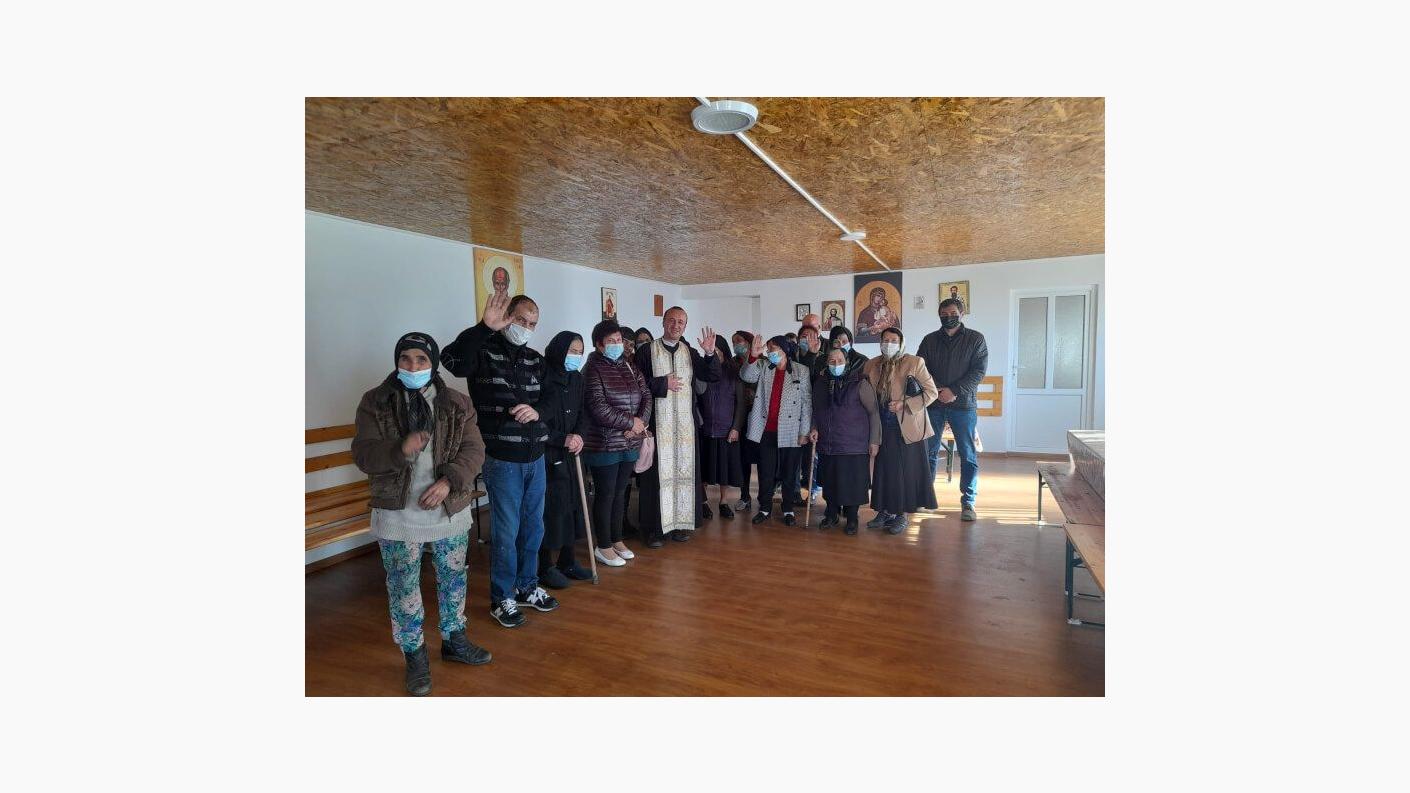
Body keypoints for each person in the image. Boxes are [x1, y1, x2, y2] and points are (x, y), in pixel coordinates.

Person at [352, 332, 491, 696]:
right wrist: (400, 449)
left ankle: (454, 640)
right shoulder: (375, 402)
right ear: (397, 361)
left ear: (434, 364)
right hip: (398, 514)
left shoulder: (457, 402)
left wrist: (448, 481)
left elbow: (474, 450)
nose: (413, 366)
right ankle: (414, 656)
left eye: (421, 359)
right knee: (403, 588)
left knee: (453, 579)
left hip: (448, 509)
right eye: (406, 359)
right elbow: (364, 454)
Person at [442, 291, 559, 629]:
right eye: (521, 320)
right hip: (502, 458)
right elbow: (452, 361)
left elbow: (552, 398)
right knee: (507, 532)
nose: (526, 328)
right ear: (507, 316)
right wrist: (484, 328)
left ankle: (527, 586)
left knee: (534, 527)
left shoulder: (536, 360)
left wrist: (538, 411)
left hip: (535, 456)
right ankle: (502, 597)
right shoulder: (483, 350)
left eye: (532, 324)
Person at [634, 307, 720, 545]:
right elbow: (636, 384)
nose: (676, 325)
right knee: (656, 478)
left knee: (683, 473)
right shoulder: (647, 351)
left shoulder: (689, 351)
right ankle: (654, 530)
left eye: (681, 322)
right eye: (671, 321)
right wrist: (663, 384)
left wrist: (710, 353)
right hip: (657, 425)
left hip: (684, 428)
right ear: (663, 323)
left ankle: (679, 524)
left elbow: (712, 376)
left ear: (685, 326)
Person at [580, 320, 653, 567]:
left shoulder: (629, 365)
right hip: (603, 444)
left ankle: (616, 539)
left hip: (630, 443)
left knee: (621, 493)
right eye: (610, 341)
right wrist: (630, 423)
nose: (616, 345)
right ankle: (603, 546)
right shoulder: (592, 369)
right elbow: (598, 407)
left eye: (619, 340)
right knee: (606, 493)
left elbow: (646, 395)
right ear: (599, 345)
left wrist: (640, 424)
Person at [916, 297, 989, 522]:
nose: (948, 317)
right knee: (929, 451)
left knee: (967, 454)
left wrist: (954, 390)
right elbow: (920, 368)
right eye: (944, 314)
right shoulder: (929, 340)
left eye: (953, 314)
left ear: (962, 313)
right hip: (934, 404)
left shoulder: (976, 339)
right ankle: (926, 497)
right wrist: (939, 390)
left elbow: (978, 371)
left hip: (963, 405)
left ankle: (968, 501)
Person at [863, 327, 939, 534]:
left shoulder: (915, 362)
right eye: (885, 340)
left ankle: (902, 515)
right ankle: (884, 511)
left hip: (907, 426)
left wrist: (904, 404)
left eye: (893, 340)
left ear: (901, 342)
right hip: (882, 426)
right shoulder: (872, 364)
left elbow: (931, 393)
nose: (889, 344)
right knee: (884, 470)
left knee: (905, 472)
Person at [535, 331, 595, 588]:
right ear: (559, 349)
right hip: (548, 452)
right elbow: (536, 419)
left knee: (573, 506)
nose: (576, 356)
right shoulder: (542, 376)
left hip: (573, 452)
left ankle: (567, 561)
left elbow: (584, 412)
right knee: (550, 510)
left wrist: (579, 435)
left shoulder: (577, 378)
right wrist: (562, 439)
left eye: (580, 352)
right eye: (572, 351)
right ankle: (544, 566)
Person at [739, 333, 812, 526]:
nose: (770, 351)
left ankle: (788, 509)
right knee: (765, 472)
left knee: (789, 473)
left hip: (791, 429)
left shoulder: (801, 371)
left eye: (774, 348)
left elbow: (806, 402)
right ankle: (764, 508)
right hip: (766, 429)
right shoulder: (764, 366)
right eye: (769, 348)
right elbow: (746, 375)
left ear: (785, 350)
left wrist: (804, 431)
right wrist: (753, 356)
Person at [809, 346, 881, 535]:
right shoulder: (821, 383)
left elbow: (873, 412)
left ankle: (851, 518)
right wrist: (814, 427)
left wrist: (874, 440)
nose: (836, 364)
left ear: (847, 362)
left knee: (852, 484)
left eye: (840, 361)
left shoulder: (859, 382)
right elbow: (816, 410)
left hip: (854, 445)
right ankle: (831, 514)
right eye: (832, 361)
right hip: (828, 444)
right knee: (830, 481)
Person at [695, 334, 746, 519]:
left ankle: (724, 502)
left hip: (727, 430)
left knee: (725, 470)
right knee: (703, 469)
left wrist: (736, 427)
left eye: (717, 351)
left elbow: (741, 403)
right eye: (710, 351)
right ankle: (703, 502)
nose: (714, 354)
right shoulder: (702, 371)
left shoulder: (734, 373)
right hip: (705, 429)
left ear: (724, 352)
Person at [730, 331, 762, 513]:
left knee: (763, 459)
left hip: (760, 417)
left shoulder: (763, 361)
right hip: (740, 416)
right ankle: (744, 496)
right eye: (734, 342)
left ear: (749, 343)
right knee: (744, 459)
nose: (736, 345)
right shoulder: (733, 363)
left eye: (740, 341)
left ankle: (764, 497)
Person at [793, 324, 825, 504]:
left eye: (812, 336)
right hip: (792, 412)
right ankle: (794, 491)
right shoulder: (792, 355)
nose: (808, 340)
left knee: (811, 457)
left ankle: (811, 490)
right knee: (794, 456)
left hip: (813, 412)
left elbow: (814, 381)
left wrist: (813, 355)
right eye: (804, 336)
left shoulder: (823, 358)